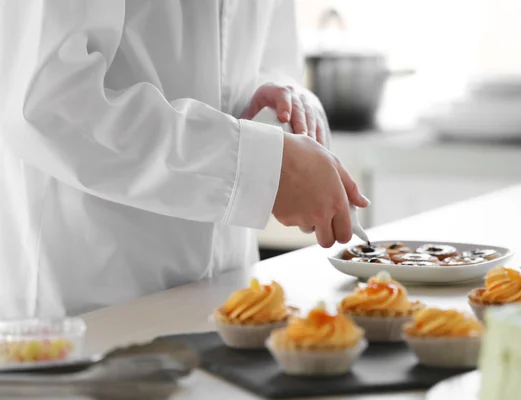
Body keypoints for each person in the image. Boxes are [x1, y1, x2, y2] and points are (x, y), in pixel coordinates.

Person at [0, 0, 369, 317]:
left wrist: (287, 103)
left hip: (228, 292)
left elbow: (270, 57)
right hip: (89, 306)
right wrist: (255, 165)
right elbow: (45, 104)